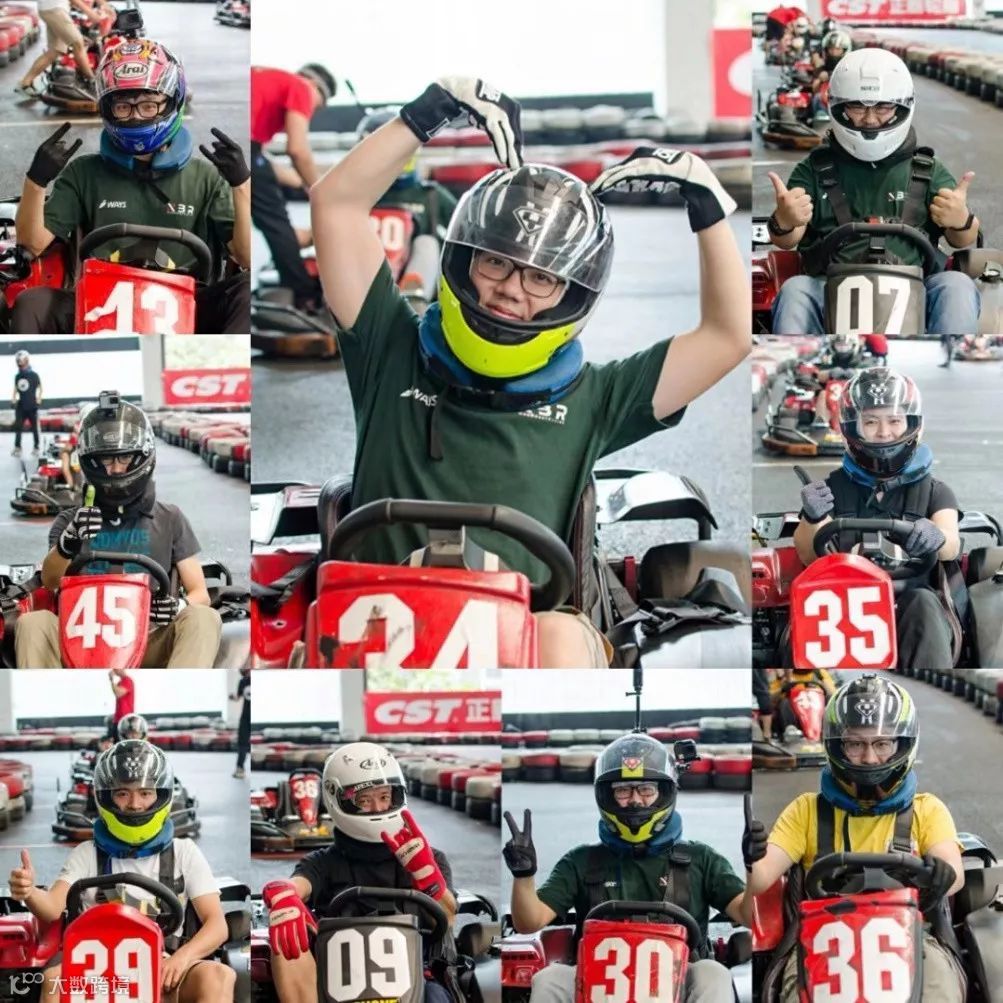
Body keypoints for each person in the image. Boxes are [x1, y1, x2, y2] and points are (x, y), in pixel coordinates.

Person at [309, 76, 749, 667]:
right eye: (496, 261)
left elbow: (727, 337)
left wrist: (710, 208)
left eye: (542, 278)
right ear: (464, 257)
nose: (512, 290)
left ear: (574, 294)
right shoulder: (389, 348)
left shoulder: (598, 398)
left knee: (562, 638)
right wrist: (431, 108)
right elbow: (336, 205)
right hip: (370, 631)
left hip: (524, 643)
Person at [742, 674, 966, 1003]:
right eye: (856, 744)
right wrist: (752, 856)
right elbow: (761, 878)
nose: (870, 758)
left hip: (912, 938)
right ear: (837, 746)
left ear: (903, 745)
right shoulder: (806, 810)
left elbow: (955, 872)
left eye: (882, 744)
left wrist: (940, 873)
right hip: (822, 940)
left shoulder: (927, 809)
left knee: (941, 990)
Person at [13, 40, 251, 334]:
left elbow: (246, 257)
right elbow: (31, 244)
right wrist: (36, 181)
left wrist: (241, 184)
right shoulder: (83, 172)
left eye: (148, 105)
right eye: (124, 107)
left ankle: (222, 364)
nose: (136, 115)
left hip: (187, 302)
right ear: (108, 109)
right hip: (100, 301)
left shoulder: (205, 177)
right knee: (32, 303)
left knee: (247, 291)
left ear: (173, 102)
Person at [504, 732, 746, 1003]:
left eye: (646, 790)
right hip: (597, 983)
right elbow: (528, 923)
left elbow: (749, 914)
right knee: (549, 978)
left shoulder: (701, 858)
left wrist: (754, 864)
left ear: (664, 793)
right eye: (623, 790)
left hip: (679, 981)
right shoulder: (581, 860)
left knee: (713, 972)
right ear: (607, 795)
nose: (635, 800)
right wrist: (523, 875)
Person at [768, 48, 980, 335]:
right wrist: (785, 220)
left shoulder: (926, 170)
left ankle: (952, 360)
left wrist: (961, 220)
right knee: (795, 290)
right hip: (829, 287)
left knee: (957, 285)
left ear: (902, 107)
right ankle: (801, 360)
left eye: (882, 107)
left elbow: (963, 240)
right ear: (839, 107)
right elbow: (787, 240)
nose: (869, 120)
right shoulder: (814, 169)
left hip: (916, 286)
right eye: (857, 107)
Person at [8, 740, 235, 1002]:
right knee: (53, 981)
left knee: (219, 976)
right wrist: (29, 892)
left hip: (165, 968)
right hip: (97, 972)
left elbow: (217, 925)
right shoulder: (87, 853)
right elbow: (51, 908)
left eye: (145, 793)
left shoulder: (184, 851)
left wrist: (183, 957)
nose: (135, 804)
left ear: (162, 796)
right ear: (106, 797)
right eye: (123, 793)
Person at [15, 393, 222, 668]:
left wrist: (179, 606)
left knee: (204, 617)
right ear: (92, 461)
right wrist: (69, 542)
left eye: (123, 457)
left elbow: (200, 592)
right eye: (106, 459)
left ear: (141, 457)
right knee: (33, 623)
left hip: (149, 638)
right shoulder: (70, 521)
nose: (114, 469)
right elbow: (50, 582)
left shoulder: (169, 517)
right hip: (79, 639)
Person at [261, 742, 457, 1003]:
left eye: (384, 797)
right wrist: (284, 892)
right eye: (364, 800)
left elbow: (448, 918)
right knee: (284, 923)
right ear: (337, 800)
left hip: (416, 977)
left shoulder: (427, 858)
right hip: (338, 980)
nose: (378, 808)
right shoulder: (323, 862)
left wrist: (427, 877)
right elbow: (300, 884)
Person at [793, 367, 961, 670]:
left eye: (894, 421)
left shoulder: (935, 491)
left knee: (923, 601)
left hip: (912, 605)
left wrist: (936, 537)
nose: (884, 432)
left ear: (912, 424)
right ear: (852, 428)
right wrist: (812, 516)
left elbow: (951, 545)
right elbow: (808, 554)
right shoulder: (833, 488)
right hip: (841, 608)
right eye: (871, 422)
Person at [250, 63, 336, 310]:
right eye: (317, 107)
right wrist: (319, 189)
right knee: (275, 220)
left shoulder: (268, 79)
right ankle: (304, 295)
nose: (312, 111)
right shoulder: (301, 87)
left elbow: (262, 164)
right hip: (246, 149)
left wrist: (302, 182)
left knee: (271, 220)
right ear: (316, 86)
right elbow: (297, 150)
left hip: (239, 144)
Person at [355, 106, 458, 310]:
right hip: (358, 283)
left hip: (409, 286)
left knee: (427, 243)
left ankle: (414, 305)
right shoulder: (355, 195)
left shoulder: (431, 195)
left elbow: (467, 233)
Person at [13, 0, 101, 99]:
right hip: (54, 9)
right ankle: (93, 81)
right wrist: (90, 13)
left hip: (51, 8)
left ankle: (25, 83)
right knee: (78, 44)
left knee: (55, 50)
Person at [807, 28, 850, 119]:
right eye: (831, 49)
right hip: (825, 97)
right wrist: (820, 80)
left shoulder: (850, 66)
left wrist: (830, 75)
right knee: (817, 98)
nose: (834, 52)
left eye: (837, 49)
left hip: (844, 97)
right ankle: (819, 119)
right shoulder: (821, 67)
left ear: (844, 50)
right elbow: (814, 88)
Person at [11, 350, 41, 458]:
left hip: (32, 405)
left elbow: (40, 388)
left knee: (34, 428)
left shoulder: (34, 375)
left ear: (26, 360)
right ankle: (17, 447)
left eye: (21, 361)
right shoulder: (18, 376)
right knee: (18, 427)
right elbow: (15, 388)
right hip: (21, 405)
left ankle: (36, 447)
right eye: (18, 361)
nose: (19, 363)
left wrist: (39, 398)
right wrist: (13, 399)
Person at [229, 667, 250, 779]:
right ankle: (240, 768)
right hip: (245, 716)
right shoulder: (243, 682)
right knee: (242, 743)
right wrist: (233, 697)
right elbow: (238, 696)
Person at [109, 668, 135, 735]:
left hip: (125, 718)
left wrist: (112, 679)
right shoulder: (120, 682)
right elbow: (117, 693)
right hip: (118, 718)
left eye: (116, 669)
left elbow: (118, 693)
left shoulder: (127, 680)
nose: (114, 671)